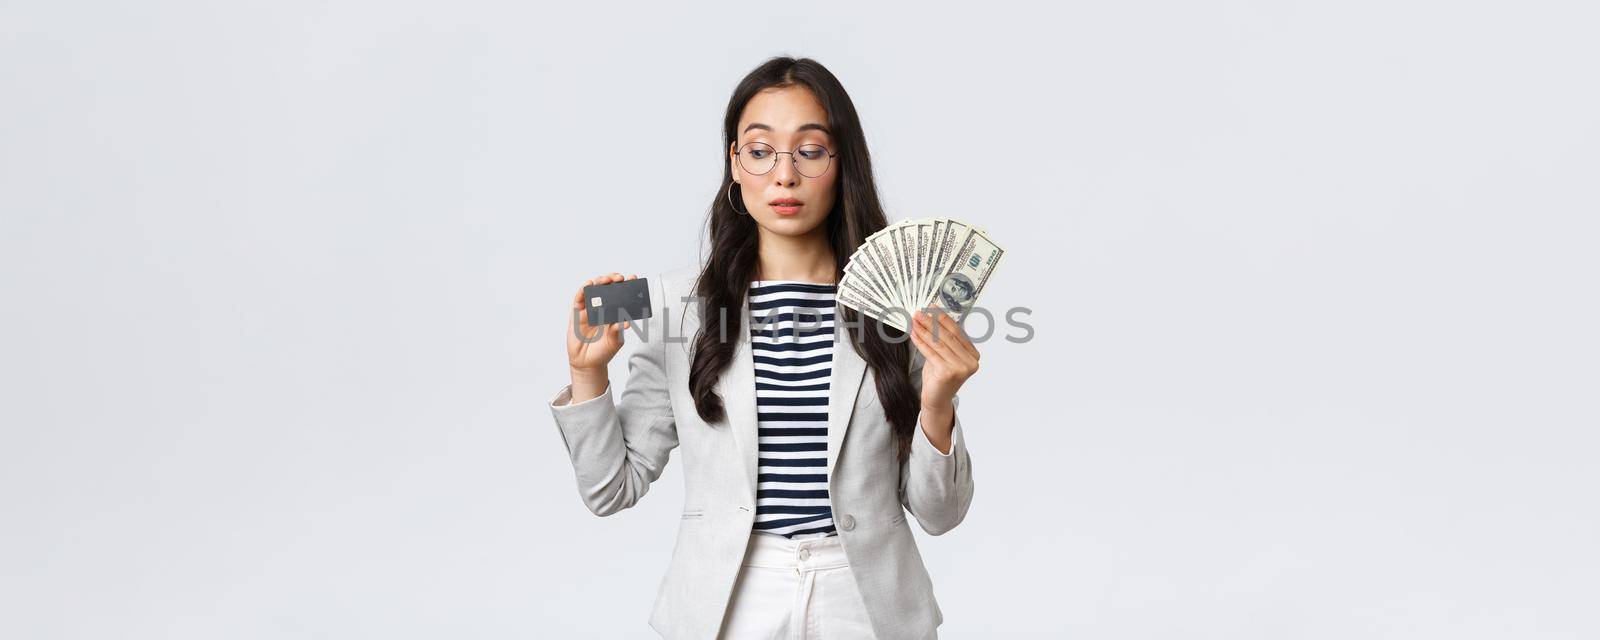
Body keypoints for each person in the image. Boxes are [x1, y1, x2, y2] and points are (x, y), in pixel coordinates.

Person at [550, 56, 979, 640]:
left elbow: (940, 514)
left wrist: (938, 405)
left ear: (842, 163)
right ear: (735, 164)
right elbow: (610, 489)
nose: (784, 175)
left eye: (810, 150)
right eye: (760, 150)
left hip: (868, 603)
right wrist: (587, 378)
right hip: (729, 601)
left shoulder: (900, 308)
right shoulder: (675, 304)